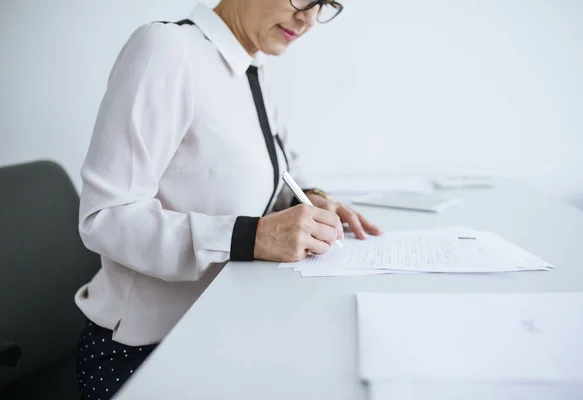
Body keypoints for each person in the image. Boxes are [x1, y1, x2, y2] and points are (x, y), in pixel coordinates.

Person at [74, 0, 381, 397]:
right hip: (146, 351)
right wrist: (249, 237)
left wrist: (314, 200)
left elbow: (277, 171)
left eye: (323, 4)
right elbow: (105, 217)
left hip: (222, 327)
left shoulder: (248, 65)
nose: (307, 17)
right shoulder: (166, 49)